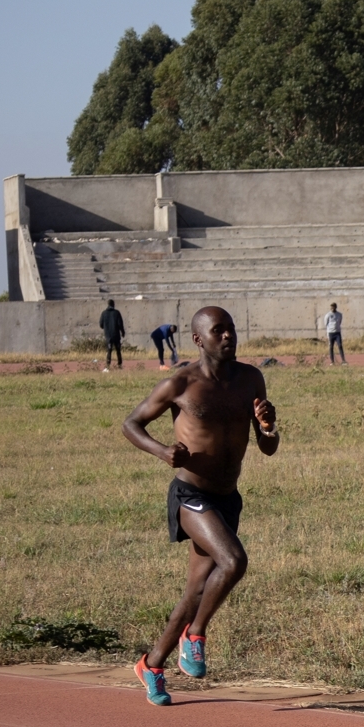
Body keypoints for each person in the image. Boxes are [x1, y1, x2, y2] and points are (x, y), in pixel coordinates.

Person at [121, 306, 279, 706]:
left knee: (195, 591)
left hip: (227, 497)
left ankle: (152, 664)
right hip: (191, 497)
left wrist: (266, 427)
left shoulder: (251, 378)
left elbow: (269, 448)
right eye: (218, 331)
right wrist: (162, 451)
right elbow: (131, 424)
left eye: (231, 330)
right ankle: (195, 636)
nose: (228, 336)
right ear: (198, 339)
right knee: (234, 561)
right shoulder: (181, 382)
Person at [99, 299, 125, 371]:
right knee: (118, 350)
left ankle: (108, 365)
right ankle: (119, 365)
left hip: (108, 335)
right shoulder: (117, 313)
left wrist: (106, 327)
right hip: (116, 335)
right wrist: (122, 332)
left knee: (109, 350)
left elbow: (101, 325)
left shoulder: (104, 313)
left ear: (108, 304)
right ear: (113, 304)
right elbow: (120, 324)